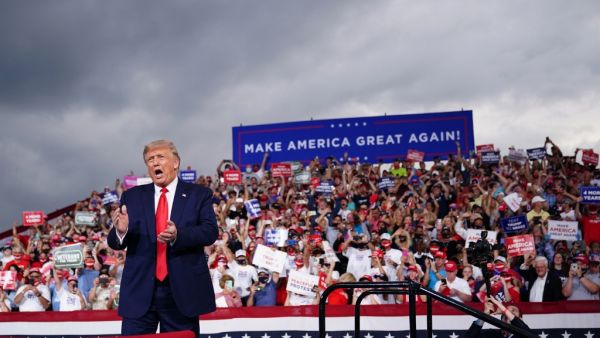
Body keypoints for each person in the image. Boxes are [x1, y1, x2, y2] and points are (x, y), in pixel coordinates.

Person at [107, 140, 218, 337]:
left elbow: (210, 232)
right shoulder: (132, 197)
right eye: (150, 159)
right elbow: (114, 241)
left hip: (182, 291)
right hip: (140, 291)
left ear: (176, 162)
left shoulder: (199, 195)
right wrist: (121, 231)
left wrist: (179, 235)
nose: (155, 163)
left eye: (160, 157)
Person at [465, 297, 532, 338]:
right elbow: (469, 337)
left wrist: (500, 306)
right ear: (502, 320)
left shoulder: (526, 334)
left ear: (520, 319)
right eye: (505, 314)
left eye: (513, 311)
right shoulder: (492, 334)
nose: (509, 312)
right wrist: (484, 315)